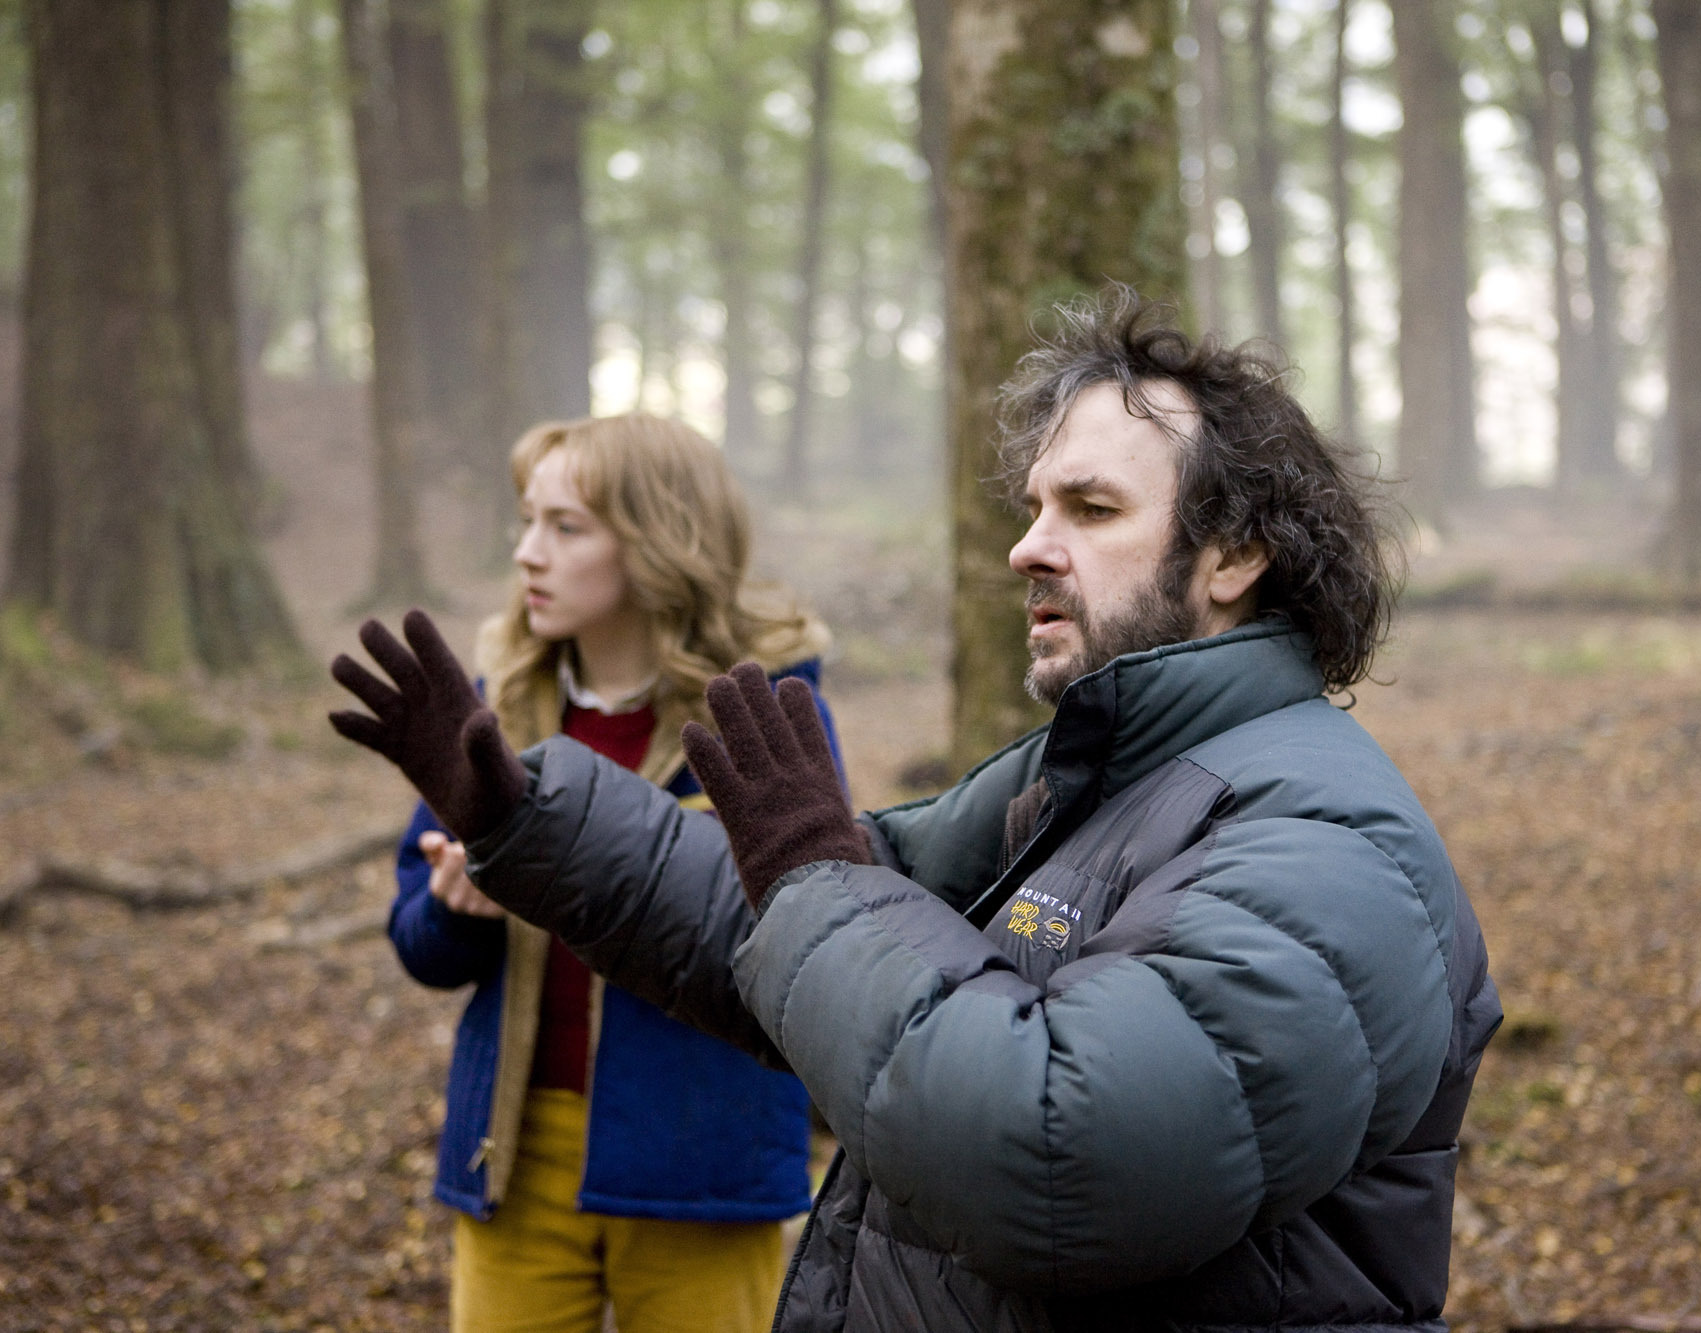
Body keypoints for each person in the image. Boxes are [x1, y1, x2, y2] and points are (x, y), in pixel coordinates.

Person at [333, 289, 1502, 1333]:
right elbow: (793, 928)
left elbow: (1059, 1156)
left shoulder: (1329, 845)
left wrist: (813, 873)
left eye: (1087, 509)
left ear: (1232, 555)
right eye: (1034, 505)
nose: (1025, 546)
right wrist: (522, 815)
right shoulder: (1088, 776)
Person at [382, 413, 837, 1333]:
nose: (526, 554)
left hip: (705, 1160)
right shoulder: (498, 709)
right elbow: (420, 947)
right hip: (515, 1153)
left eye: (565, 526)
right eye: (525, 521)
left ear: (659, 541)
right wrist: (454, 904)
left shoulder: (762, 711)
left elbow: (817, 933)